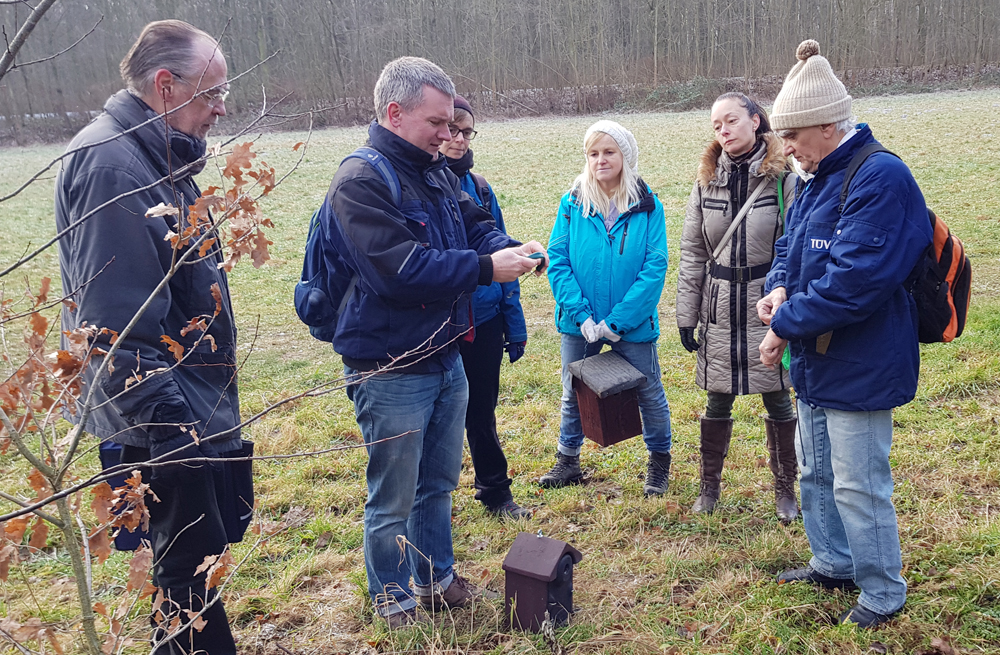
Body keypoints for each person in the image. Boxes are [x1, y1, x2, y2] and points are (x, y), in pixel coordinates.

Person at [325, 57, 548, 628]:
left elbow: (475, 223)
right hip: (391, 365)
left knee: (439, 483)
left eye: (453, 124)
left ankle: (434, 577)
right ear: (394, 114)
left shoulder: (435, 170)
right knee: (393, 496)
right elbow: (399, 270)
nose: (449, 136)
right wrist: (483, 268)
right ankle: (392, 597)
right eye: (438, 124)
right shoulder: (362, 180)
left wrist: (511, 248)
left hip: (447, 354)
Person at [55, 20, 247, 654]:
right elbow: (116, 325)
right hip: (163, 413)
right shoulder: (113, 165)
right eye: (213, 92)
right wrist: (172, 431)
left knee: (198, 560)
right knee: (185, 568)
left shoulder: (159, 156)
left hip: (190, 400)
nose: (222, 108)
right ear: (167, 86)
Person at [758, 40, 931, 628]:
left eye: (792, 136)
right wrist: (779, 286)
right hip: (815, 360)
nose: (786, 148)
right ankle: (832, 561)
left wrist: (783, 323)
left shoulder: (879, 177)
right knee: (814, 470)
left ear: (828, 127)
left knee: (859, 484)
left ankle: (883, 591)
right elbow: (790, 245)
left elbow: (855, 281)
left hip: (862, 361)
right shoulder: (814, 176)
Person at [676, 93, 798, 520]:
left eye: (731, 121)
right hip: (719, 305)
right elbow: (693, 251)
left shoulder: (785, 178)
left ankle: (786, 492)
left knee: (779, 397)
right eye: (716, 126)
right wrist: (687, 314)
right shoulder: (705, 180)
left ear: (756, 120)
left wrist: (790, 305)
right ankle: (709, 490)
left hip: (768, 303)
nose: (723, 131)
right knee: (717, 399)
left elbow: (794, 248)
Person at [541, 120, 673, 494]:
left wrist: (618, 321)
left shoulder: (648, 206)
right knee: (573, 391)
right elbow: (559, 258)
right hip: (578, 322)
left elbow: (655, 266)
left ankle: (659, 462)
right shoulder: (573, 202)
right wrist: (580, 315)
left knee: (649, 391)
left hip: (631, 326)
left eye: (609, 152)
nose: (601, 160)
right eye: (593, 153)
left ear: (625, 156)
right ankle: (568, 460)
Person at [440, 95, 531, 520]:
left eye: (466, 131)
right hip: (441, 323)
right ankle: (432, 498)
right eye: (451, 129)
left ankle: (495, 491)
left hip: (486, 320)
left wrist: (514, 324)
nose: (458, 139)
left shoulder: (479, 188)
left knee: (482, 412)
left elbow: (503, 255)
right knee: (439, 414)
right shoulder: (419, 188)